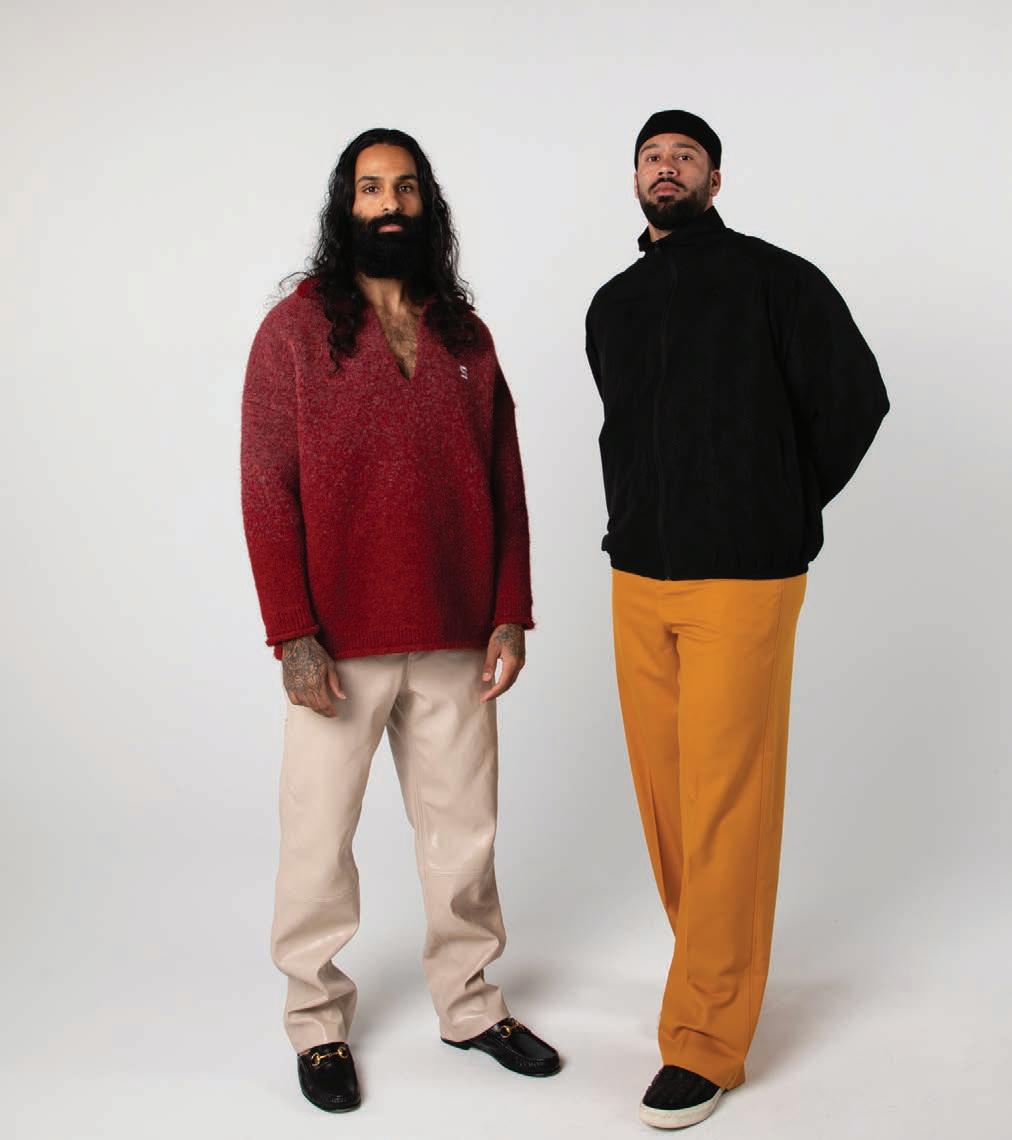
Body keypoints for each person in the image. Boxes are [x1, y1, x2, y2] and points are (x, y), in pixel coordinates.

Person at [240, 127, 560, 1114]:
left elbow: (505, 479)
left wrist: (509, 610)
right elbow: (265, 485)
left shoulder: (466, 334)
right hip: (337, 644)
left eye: (406, 187)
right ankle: (315, 1023)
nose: (390, 204)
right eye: (371, 188)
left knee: (464, 837)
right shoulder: (294, 331)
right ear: (346, 207)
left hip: (458, 631)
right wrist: (292, 631)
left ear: (429, 206)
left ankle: (468, 1005)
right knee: (317, 841)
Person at [585, 110, 889, 1130]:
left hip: (742, 581)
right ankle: (710, 974)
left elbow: (857, 399)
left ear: (715, 179)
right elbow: (624, 432)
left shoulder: (776, 280)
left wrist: (779, 509)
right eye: (651, 155)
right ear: (634, 177)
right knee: (670, 802)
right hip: (638, 575)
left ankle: (706, 1040)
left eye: (686, 156)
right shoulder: (613, 305)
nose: (666, 167)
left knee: (725, 804)